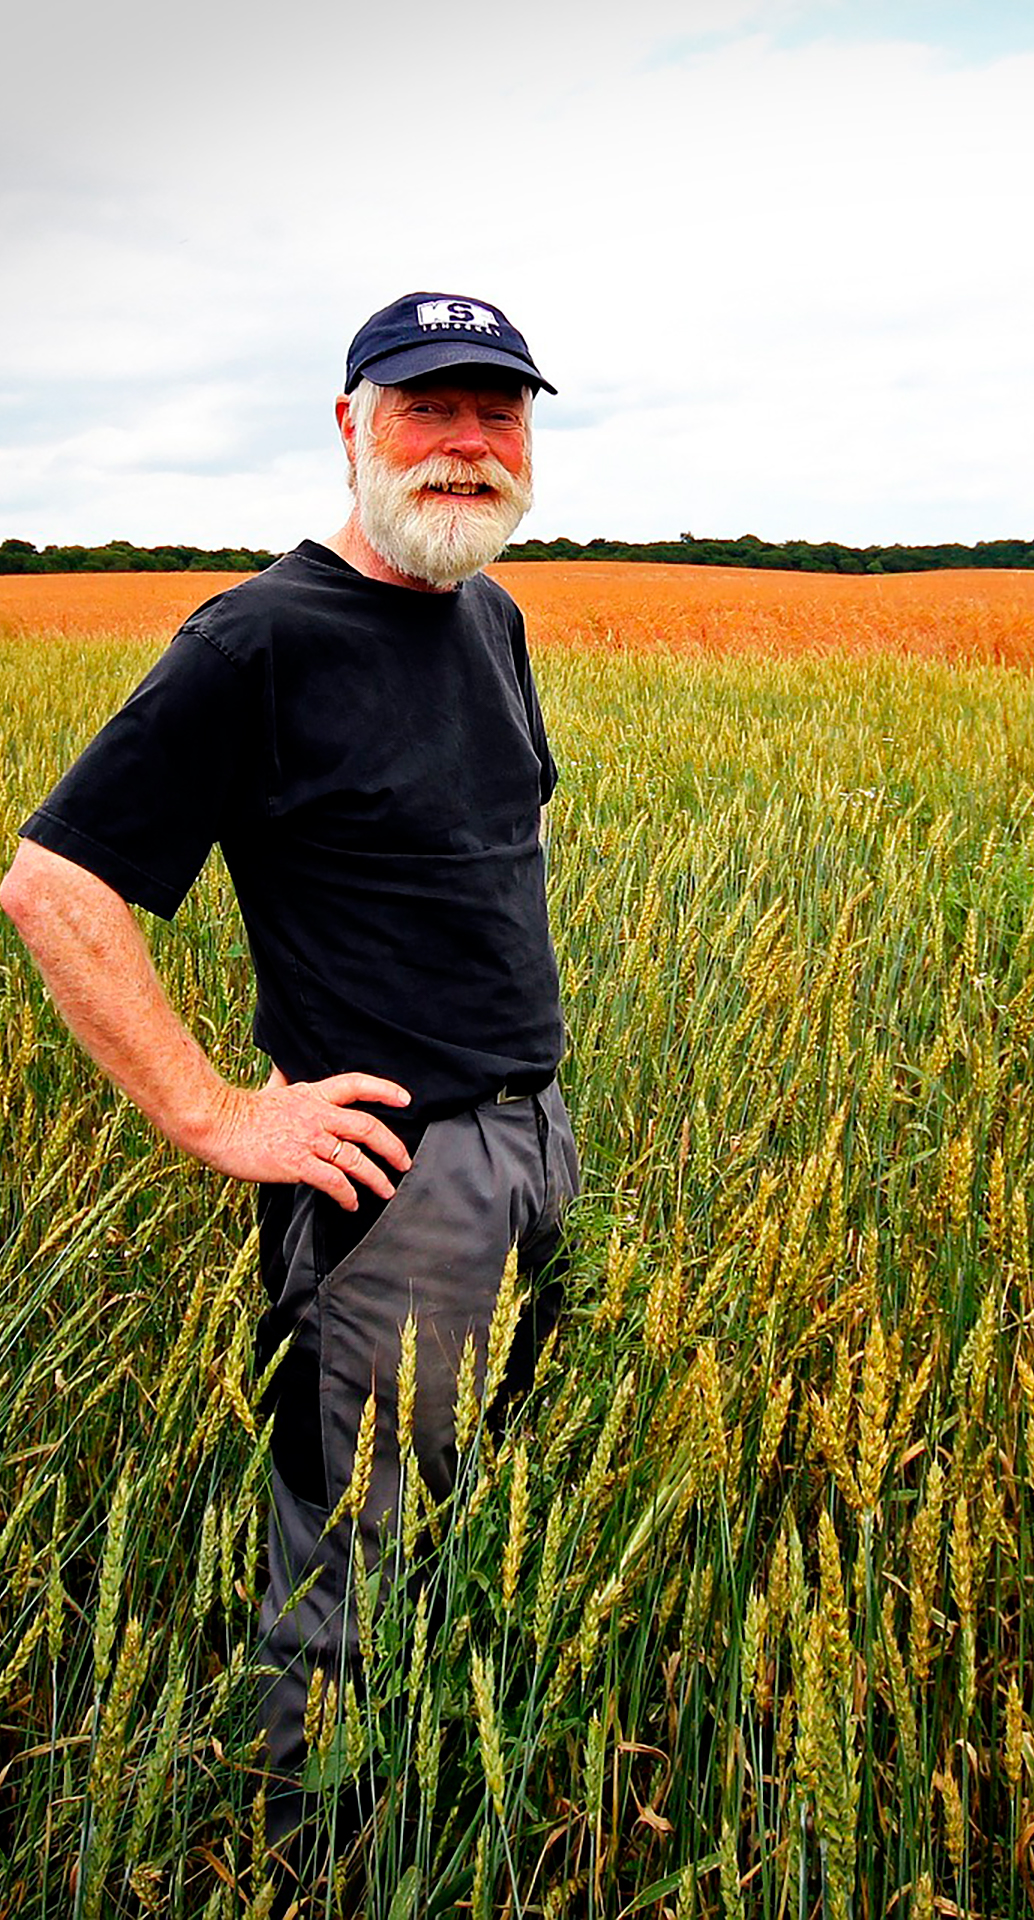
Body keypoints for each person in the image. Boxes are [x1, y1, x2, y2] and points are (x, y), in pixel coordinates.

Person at [0, 290, 578, 1895]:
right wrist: (213, 1113)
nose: (467, 445)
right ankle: (318, 1860)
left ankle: (433, 1803)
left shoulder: (488, 617)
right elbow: (54, 884)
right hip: (392, 1191)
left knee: (463, 1514)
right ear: (350, 425)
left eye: (498, 413)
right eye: (427, 409)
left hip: (530, 1146)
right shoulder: (257, 640)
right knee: (351, 1563)